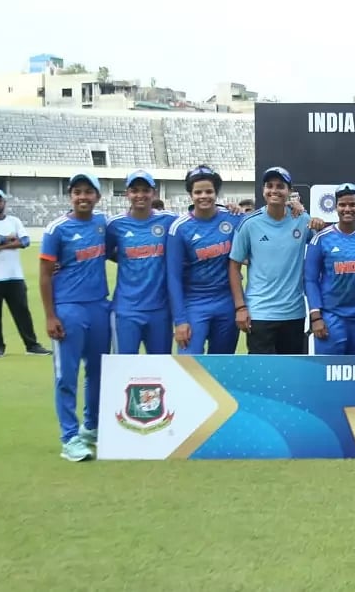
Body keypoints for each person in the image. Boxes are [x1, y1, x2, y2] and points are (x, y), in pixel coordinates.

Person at [39, 172, 110, 462]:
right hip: (68, 309)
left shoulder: (103, 224)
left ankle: (91, 427)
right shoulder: (56, 229)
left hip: (99, 307)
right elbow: (44, 276)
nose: (83, 197)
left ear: (97, 196)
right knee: (66, 376)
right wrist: (50, 316)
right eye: (77, 192)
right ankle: (69, 437)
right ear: (70, 196)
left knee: (98, 372)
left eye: (88, 192)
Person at [229, 166, 315, 355]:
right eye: (269, 186)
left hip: (294, 313)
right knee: (261, 377)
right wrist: (240, 307)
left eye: (280, 186)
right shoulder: (250, 223)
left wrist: (318, 223)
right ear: (263, 190)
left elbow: (323, 243)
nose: (274, 190)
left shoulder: (301, 219)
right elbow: (234, 266)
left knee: (291, 375)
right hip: (260, 313)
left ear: (289, 191)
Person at [167, 165, 245, 355]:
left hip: (226, 302)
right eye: (198, 192)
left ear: (216, 193)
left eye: (209, 191)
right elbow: (173, 278)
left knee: (222, 366)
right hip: (194, 303)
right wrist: (180, 320)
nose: (204, 196)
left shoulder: (233, 218)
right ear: (190, 195)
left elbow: (261, 223)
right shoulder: (180, 228)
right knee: (189, 364)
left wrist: (294, 208)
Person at [304, 183, 355, 355]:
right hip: (331, 316)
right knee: (329, 372)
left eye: (352, 204)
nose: (347, 209)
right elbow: (310, 280)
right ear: (335, 207)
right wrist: (316, 316)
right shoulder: (321, 239)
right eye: (342, 205)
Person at [105, 170, 177, 354]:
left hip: (160, 310)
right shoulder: (115, 225)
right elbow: (98, 253)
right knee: (124, 370)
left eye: (145, 190)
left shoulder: (168, 220)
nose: (140, 195)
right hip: (126, 310)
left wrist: (230, 209)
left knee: (161, 369)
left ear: (153, 193)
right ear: (127, 193)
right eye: (135, 190)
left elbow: (195, 222)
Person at [0, 188, 50, 358]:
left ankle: (31, 345)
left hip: (14, 275)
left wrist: (1, 246)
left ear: (4, 203)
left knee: (22, 312)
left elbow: (25, 241)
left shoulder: (14, 221)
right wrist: (9, 238)